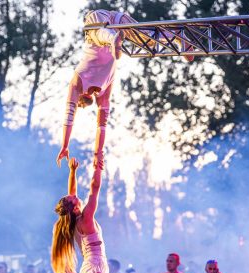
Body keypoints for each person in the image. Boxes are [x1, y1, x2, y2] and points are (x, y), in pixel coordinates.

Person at [56, 10, 193, 166]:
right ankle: (177, 36)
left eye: (78, 105)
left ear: (80, 97)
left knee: (97, 34)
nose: (79, 106)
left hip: (97, 20)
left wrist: (65, 145)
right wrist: (98, 153)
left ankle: (112, 38)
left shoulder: (77, 82)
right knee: (147, 40)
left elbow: (69, 115)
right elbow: (101, 126)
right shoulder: (104, 90)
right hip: (117, 20)